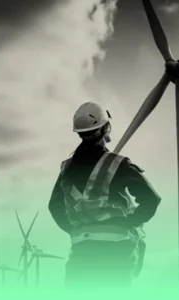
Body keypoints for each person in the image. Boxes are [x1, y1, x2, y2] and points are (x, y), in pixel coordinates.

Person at [48, 102, 161, 291]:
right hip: (116, 251)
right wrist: (130, 222)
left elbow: (54, 206)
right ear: (106, 127)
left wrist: (73, 230)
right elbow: (151, 199)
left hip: (82, 250)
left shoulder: (66, 168)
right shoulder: (118, 164)